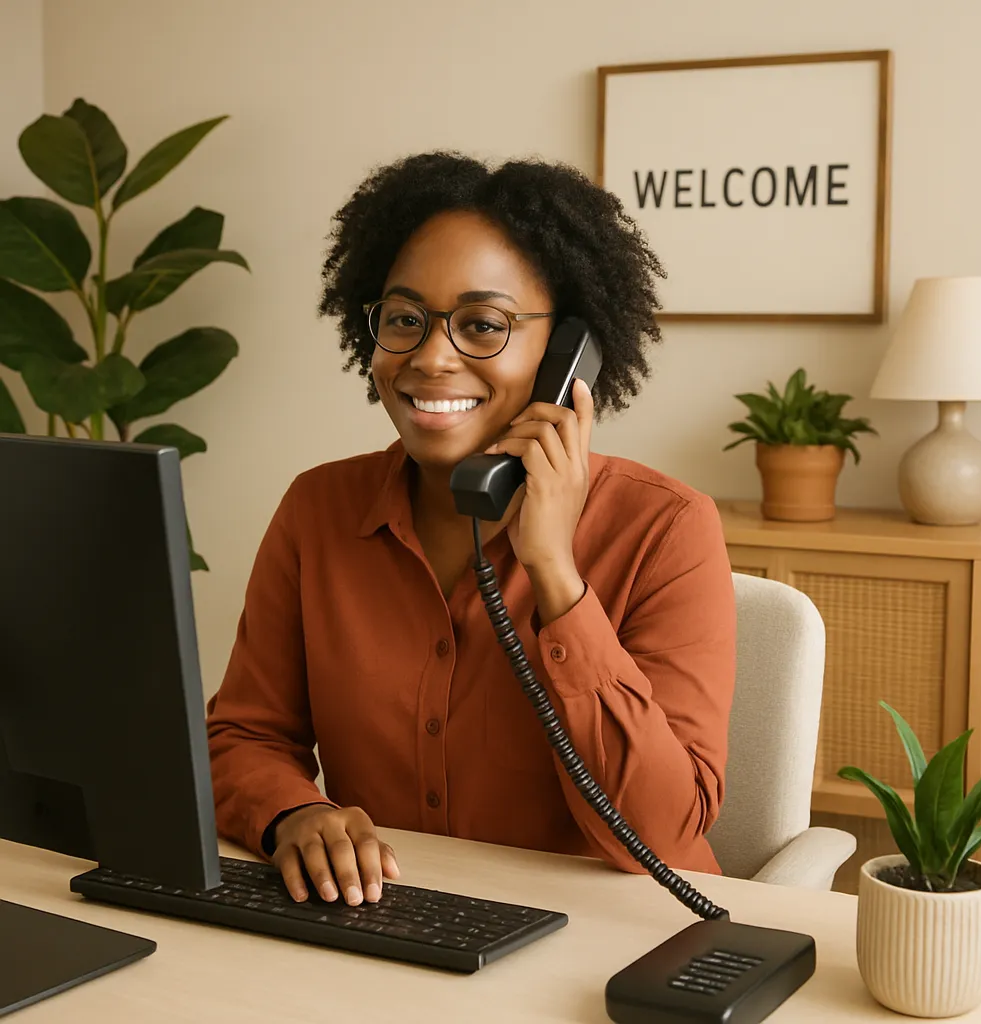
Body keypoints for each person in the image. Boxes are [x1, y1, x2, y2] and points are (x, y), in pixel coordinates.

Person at [206, 151, 736, 909]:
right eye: (404, 319)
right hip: (391, 929)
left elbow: (660, 830)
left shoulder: (666, 529)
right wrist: (298, 812)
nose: (430, 357)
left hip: (616, 938)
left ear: (566, 355)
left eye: (483, 325)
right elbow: (243, 735)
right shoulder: (318, 510)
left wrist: (555, 574)